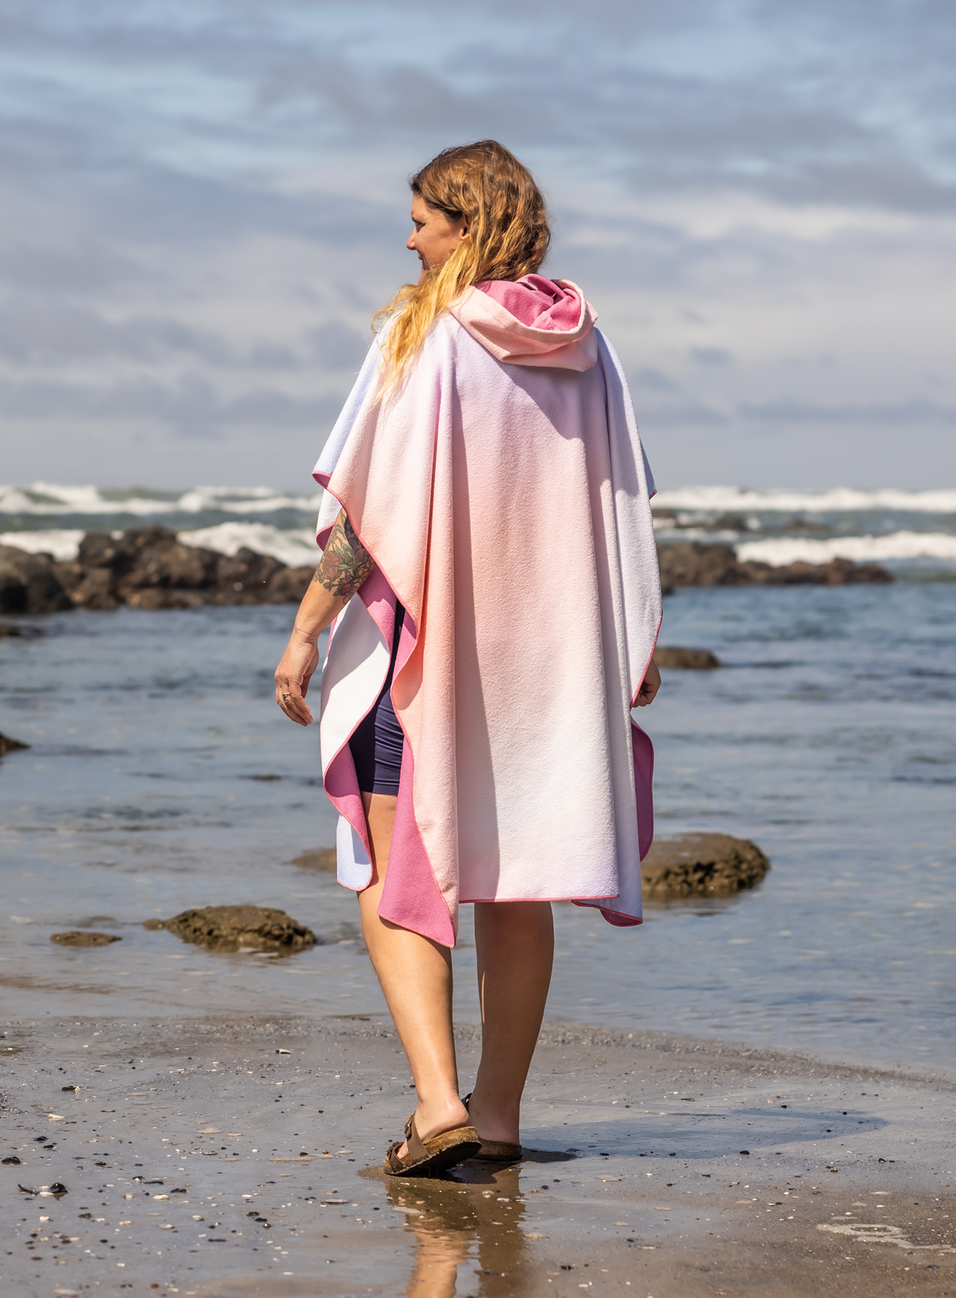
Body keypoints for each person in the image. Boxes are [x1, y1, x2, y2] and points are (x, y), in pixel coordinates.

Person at [273, 140, 663, 1179]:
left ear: (466, 222)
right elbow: (622, 500)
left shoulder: (424, 334)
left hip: (430, 655)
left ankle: (437, 1101)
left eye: (421, 220)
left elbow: (365, 516)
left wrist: (307, 627)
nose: (406, 239)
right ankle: (496, 1116)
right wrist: (631, 638)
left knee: (392, 858)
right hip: (549, 664)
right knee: (515, 877)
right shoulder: (589, 345)